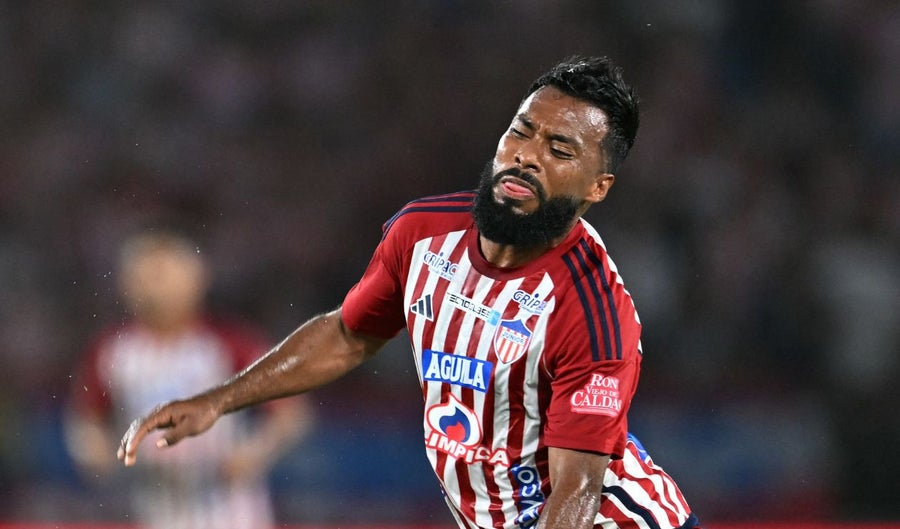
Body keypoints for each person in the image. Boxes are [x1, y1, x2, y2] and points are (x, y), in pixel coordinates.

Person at [118, 56, 703, 529]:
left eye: (560, 150)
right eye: (521, 131)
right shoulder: (421, 233)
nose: (527, 155)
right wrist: (218, 401)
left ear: (598, 187)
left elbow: (577, 492)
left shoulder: (594, 313)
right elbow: (348, 335)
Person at [66, 230, 313, 529]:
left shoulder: (229, 344)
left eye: (164, 275)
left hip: (230, 514)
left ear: (197, 280)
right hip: (154, 513)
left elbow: (290, 414)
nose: (155, 288)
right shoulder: (112, 351)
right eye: (145, 276)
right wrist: (95, 451)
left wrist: (254, 452)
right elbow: (85, 420)